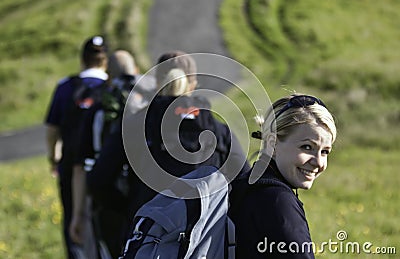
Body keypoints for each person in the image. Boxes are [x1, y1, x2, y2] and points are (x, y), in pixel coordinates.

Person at [122, 50, 251, 214]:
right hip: (205, 233)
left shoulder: (133, 126)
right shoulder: (220, 130)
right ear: (194, 84)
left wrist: (128, 209)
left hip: (147, 229)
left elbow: (99, 179)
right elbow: (245, 182)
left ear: (156, 83)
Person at [70, 49, 155, 258]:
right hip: (147, 197)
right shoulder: (153, 105)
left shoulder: (99, 108)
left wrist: (78, 214)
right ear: (136, 70)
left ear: (108, 75)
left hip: (107, 199)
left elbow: (81, 166)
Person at [229, 94, 337, 258]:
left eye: (325, 152)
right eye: (307, 147)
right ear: (272, 143)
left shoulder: (246, 184)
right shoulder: (278, 202)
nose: (318, 162)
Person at [45, 35, 109, 258]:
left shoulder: (65, 87)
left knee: (74, 223)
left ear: (82, 60)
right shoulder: (112, 88)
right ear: (105, 61)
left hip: (71, 166)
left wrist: (54, 157)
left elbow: (53, 129)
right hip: (105, 168)